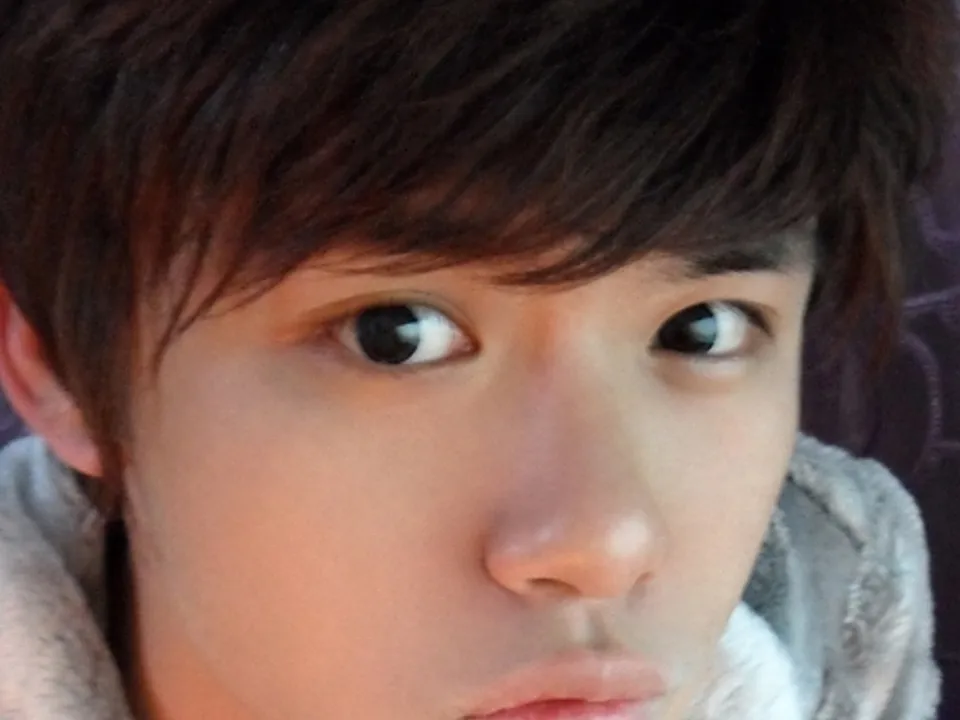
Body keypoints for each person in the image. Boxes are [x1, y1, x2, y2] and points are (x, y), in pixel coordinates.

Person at [0, 1, 954, 719]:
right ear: (63, 372)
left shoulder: (841, 630)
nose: (601, 546)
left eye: (700, 329)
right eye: (396, 335)